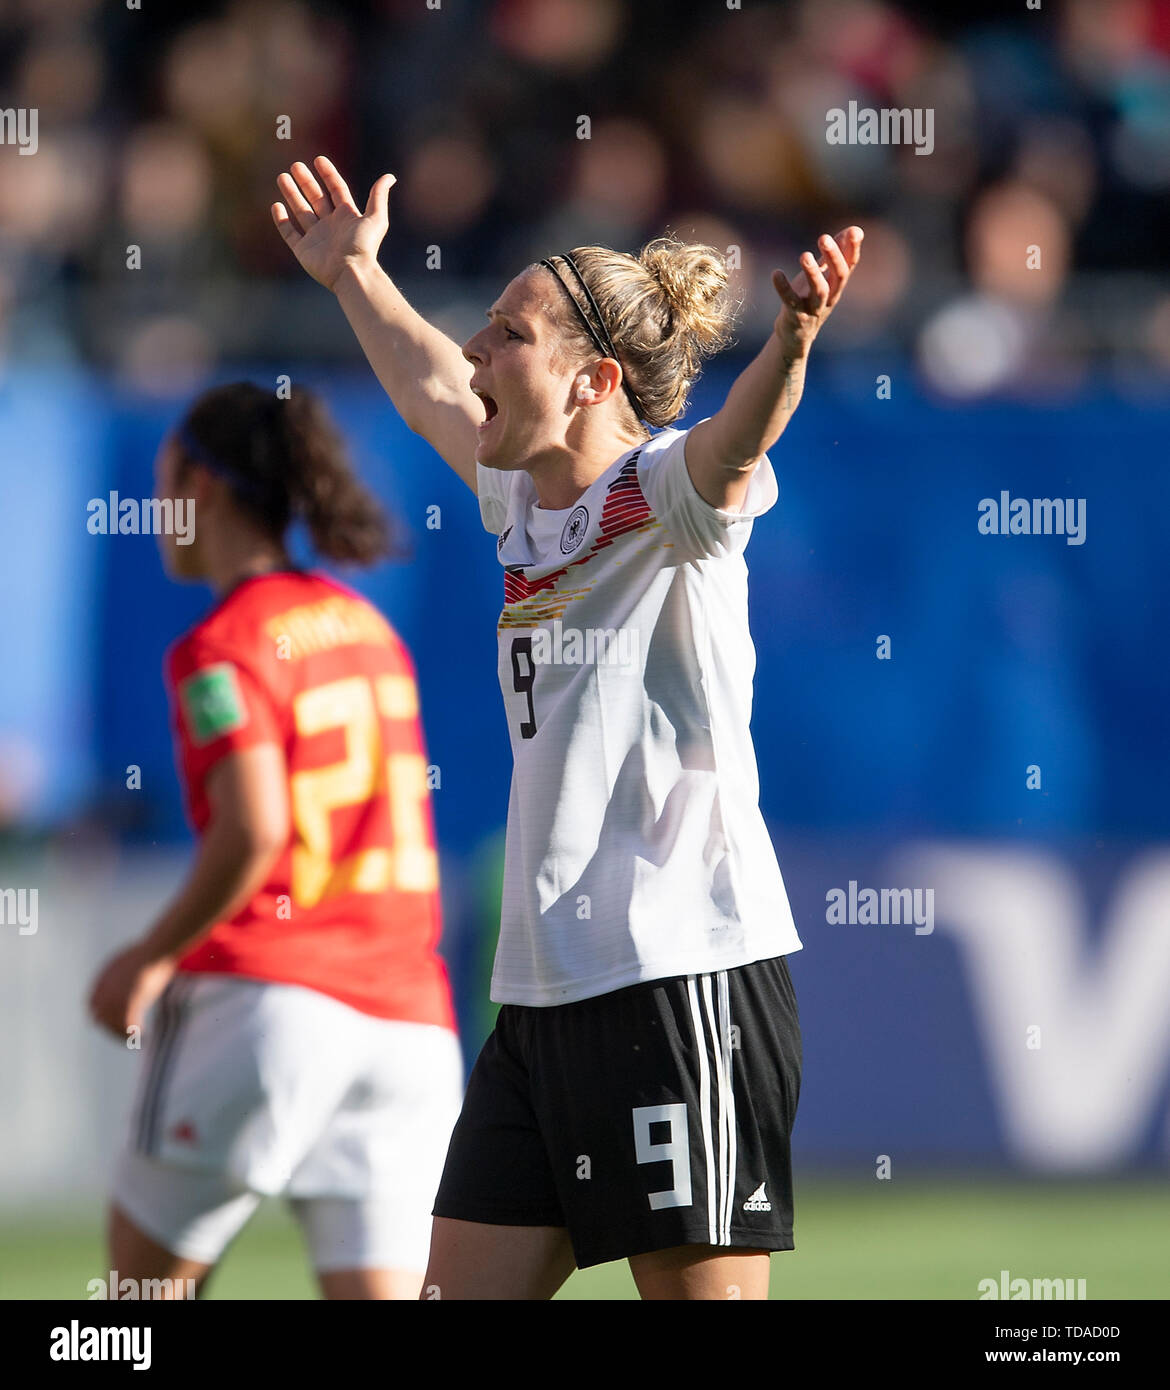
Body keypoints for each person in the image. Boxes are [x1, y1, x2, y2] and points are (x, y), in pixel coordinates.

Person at [273, 155, 862, 1300]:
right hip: (540, 999)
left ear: (592, 380)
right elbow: (428, 387)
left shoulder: (665, 495)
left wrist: (790, 345)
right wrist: (353, 276)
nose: (476, 350)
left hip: (677, 974)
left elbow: (739, 440)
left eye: (505, 334)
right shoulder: (521, 504)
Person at [88, 381, 461, 1300]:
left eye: (164, 478)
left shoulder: (221, 648)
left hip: (268, 1004)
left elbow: (256, 829)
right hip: (410, 1026)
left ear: (203, 488)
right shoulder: (370, 629)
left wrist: (149, 953)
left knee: (131, 1314)